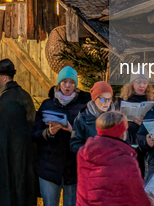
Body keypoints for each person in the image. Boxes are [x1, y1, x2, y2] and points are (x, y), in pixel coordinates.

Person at [34, 66, 90, 206]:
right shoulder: (47, 105)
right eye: (64, 82)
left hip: (73, 168)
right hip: (49, 167)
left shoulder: (83, 107)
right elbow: (34, 134)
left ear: (75, 85)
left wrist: (72, 130)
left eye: (71, 82)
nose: (67, 85)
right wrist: (48, 133)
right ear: (59, 83)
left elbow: (90, 136)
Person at [76, 111, 154, 206]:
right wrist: (149, 203)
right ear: (122, 131)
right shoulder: (125, 158)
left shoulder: (84, 152)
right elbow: (136, 193)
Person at [0, 59, 37, 206]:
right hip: (24, 155)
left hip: (5, 156)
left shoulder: (1, 100)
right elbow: (32, 123)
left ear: (4, 78)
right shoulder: (25, 96)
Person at [118, 74, 154, 177]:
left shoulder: (152, 101)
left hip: (146, 145)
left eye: (144, 83)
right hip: (128, 142)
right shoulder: (123, 100)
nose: (142, 86)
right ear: (132, 84)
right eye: (138, 82)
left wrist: (146, 121)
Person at [70, 81, 116, 153]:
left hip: (112, 161)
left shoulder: (117, 118)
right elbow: (75, 144)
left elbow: (126, 140)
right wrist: (90, 151)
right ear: (94, 99)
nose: (106, 102)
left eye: (109, 99)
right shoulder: (82, 119)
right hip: (91, 161)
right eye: (102, 99)